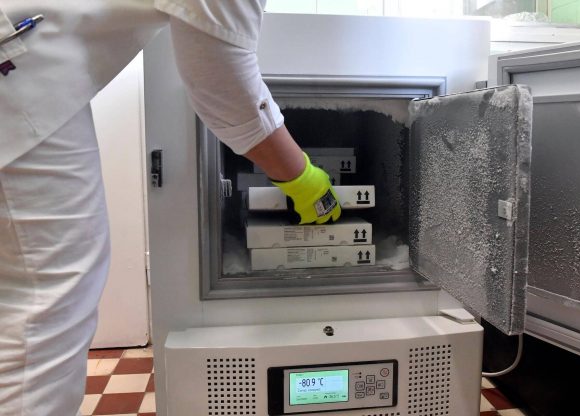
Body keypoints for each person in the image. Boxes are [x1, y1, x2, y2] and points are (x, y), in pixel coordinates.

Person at [0, 1, 340, 414]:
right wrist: (302, 179)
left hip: (27, 66)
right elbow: (223, 80)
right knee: (41, 316)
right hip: (18, 77)